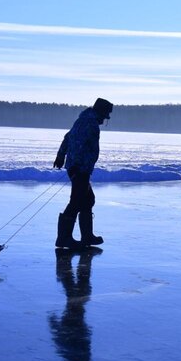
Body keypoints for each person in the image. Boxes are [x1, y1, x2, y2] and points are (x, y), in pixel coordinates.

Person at [52, 98, 113, 248]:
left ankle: (87, 236)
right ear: (100, 112)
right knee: (77, 201)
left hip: (79, 167)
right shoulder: (89, 123)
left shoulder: (83, 120)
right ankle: (64, 238)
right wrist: (78, 167)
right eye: (105, 116)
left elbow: (67, 137)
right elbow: (78, 145)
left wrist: (60, 156)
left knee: (88, 199)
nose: (105, 119)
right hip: (80, 168)